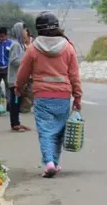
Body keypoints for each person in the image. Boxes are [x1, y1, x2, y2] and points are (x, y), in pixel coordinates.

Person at [15, 11, 82, 178]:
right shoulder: (68, 47)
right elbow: (74, 75)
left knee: (45, 130)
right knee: (59, 130)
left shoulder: (33, 48)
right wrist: (78, 97)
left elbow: (23, 71)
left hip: (42, 94)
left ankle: (49, 162)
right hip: (63, 95)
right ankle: (56, 163)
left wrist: (18, 86)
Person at [7, 22, 31, 132]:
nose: (26, 31)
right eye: (24, 29)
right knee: (15, 101)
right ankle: (14, 124)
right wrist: (25, 63)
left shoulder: (21, 45)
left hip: (19, 79)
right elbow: (13, 61)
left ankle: (17, 123)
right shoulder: (16, 44)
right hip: (14, 79)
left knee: (17, 101)